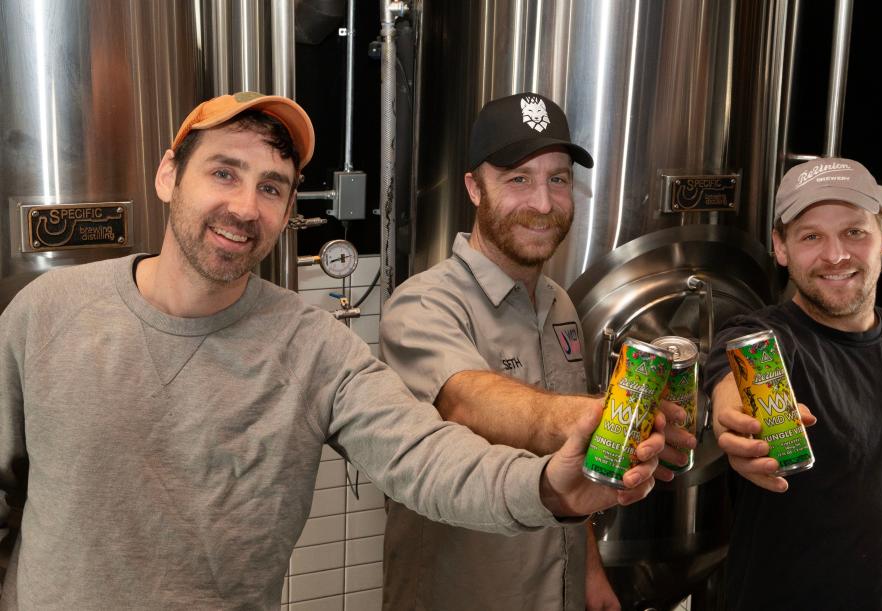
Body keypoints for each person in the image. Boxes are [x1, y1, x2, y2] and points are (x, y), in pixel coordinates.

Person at [0, 92, 671, 609]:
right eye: (224, 173)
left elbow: (422, 454)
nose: (244, 206)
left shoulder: (314, 345)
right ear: (169, 174)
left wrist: (544, 485)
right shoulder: (47, 312)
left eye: (271, 187)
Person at [379, 93, 697, 611]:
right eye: (518, 179)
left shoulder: (560, 304)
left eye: (558, 179)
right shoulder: (422, 304)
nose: (544, 204)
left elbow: (561, 462)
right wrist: (590, 416)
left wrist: (589, 568)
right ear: (473, 188)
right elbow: (467, 401)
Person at [707, 157, 882, 610]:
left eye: (854, 231)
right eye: (810, 236)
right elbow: (734, 385)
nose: (835, 254)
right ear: (780, 248)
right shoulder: (757, 340)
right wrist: (742, 431)